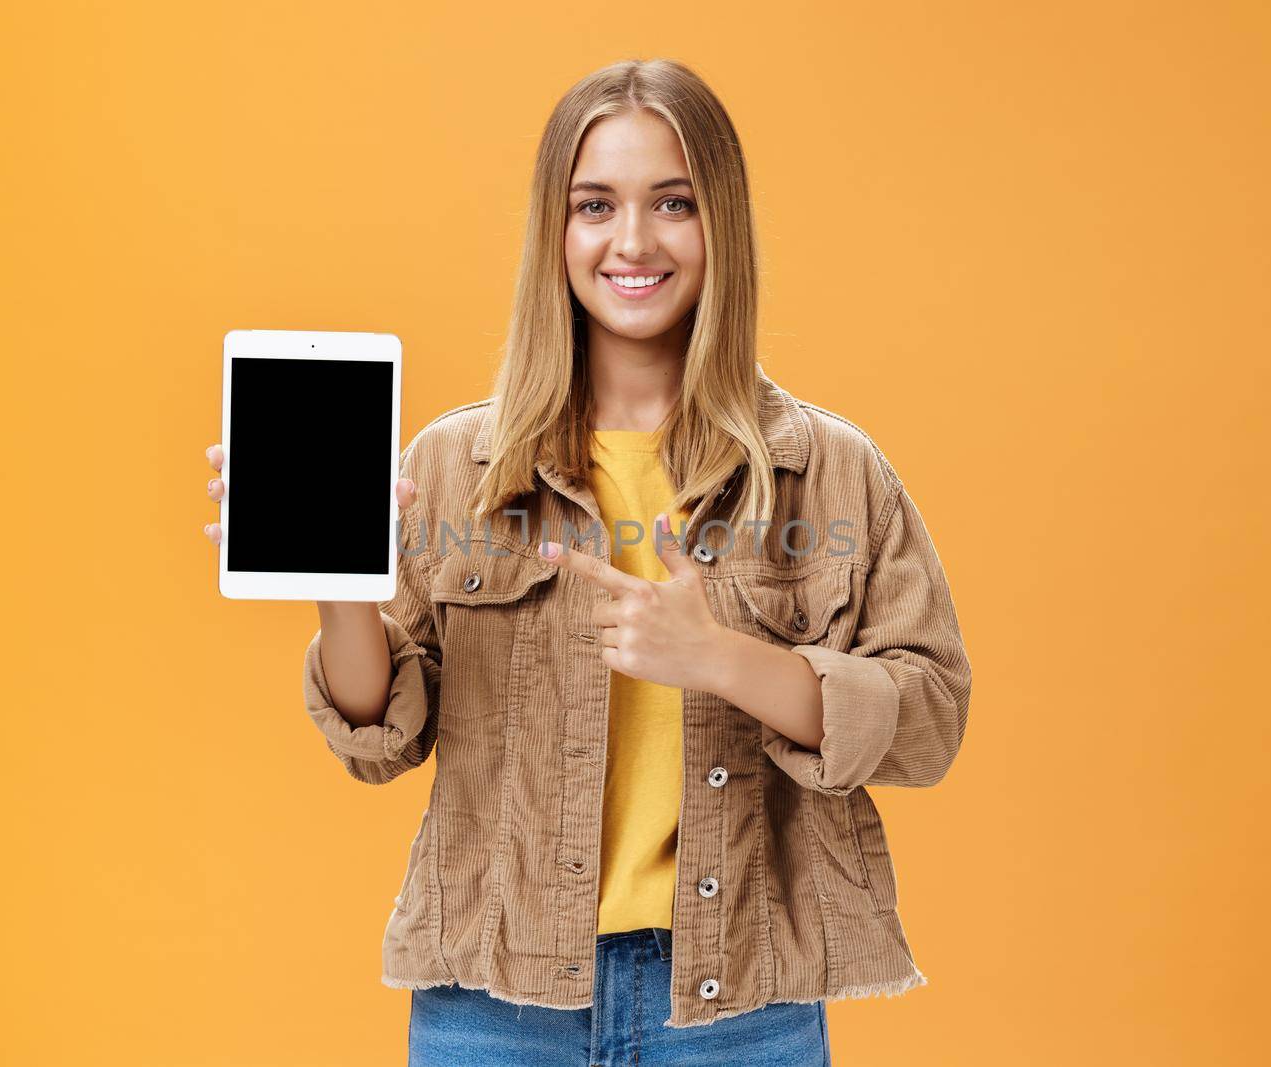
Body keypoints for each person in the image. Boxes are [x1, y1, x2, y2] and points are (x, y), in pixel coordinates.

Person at [203, 57, 971, 1067]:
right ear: (554, 231)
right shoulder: (455, 465)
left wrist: (722, 658)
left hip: (738, 1005)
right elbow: (379, 741)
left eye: (673, 203)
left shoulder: (825, 471)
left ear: (721, 225)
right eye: (594, 205)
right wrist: (343, 595)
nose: (633, 241)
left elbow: (928, 721)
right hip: (493, 1002)